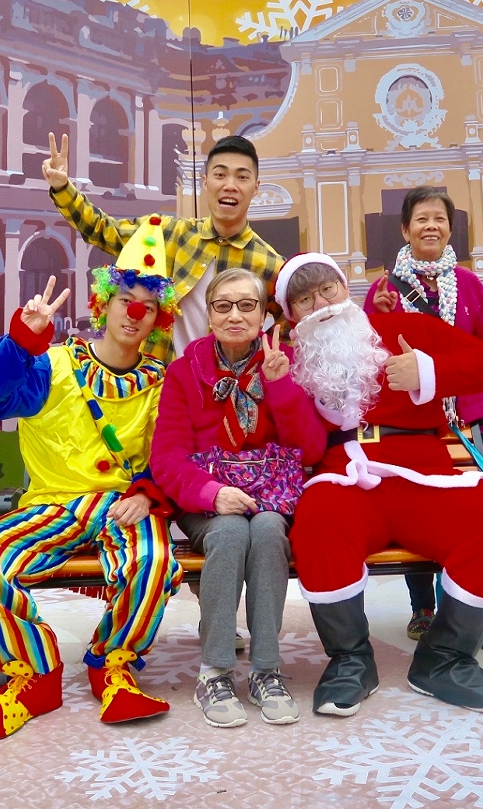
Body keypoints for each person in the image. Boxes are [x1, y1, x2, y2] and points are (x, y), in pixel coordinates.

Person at [0, 219, 184, 741]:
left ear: (159, 319)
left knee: (152, 561)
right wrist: (21, 342)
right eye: (125, 300)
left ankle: (113, 664)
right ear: (103, 304)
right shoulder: (51, 365)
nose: (134, 313)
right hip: (50, 505)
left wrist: (148, 493)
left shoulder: (161, 383)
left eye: (148, 306)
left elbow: (171, 454)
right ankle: (34, 674)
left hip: (122, 506)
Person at [277, 253, 483, 717]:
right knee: (317, 526)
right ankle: (350, 660)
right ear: (292, 314)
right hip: (345, 476)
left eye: (327, 290)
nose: (322, 305)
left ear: (344, 289)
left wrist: (427, 372)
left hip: (423, 474)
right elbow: (300, 443)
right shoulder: (289, 361)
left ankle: (445, 658)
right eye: (305, 300)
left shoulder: (407, 328)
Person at [150, 268, 327, 728]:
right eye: (223, 305)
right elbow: (167, 457)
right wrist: (211, 493)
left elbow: (311, 450)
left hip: (270, 494)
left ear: (263, 315)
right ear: (209, 316)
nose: (235, 315)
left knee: (267, 531)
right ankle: (215, 671)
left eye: (247, 305)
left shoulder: (284, 362)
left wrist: (280, 386)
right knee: (229, 533)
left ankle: (267, 669)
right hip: (205, 498)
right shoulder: (184, 371)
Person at [364, 186, 483, 642]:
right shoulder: (386, 286)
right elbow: (370, 353)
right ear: (405, 229)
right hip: (409, 422)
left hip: (461, 416)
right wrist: (377, 312)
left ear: (450, 229)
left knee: (466, 511)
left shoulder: (468, 284)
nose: (431, 226)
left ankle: (463, 607)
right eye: (422, 219)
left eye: (439, 219)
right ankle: (423, 607)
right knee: (419, 504)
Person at [43, 131, 286, 360]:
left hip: (225, 387)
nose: (230, 185)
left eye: (242, 177)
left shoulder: (270, 264)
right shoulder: (167, 233)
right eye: (220, 175)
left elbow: (289, 327)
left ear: (256, 187)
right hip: (159, 380)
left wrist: (256, 362)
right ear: (205, 182)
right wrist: (63, 188)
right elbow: (103, 230)